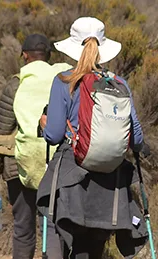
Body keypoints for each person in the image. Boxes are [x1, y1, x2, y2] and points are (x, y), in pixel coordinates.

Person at [37, 17, 148, 259]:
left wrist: (44, 125)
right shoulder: (119, 84)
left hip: (71, 177)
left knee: (58, 229)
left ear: (74, 47)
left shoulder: (64, 81)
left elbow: (54, 136)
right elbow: (137, 139)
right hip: (109, 185)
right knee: (91, 250)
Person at [0, 34, 73, 259]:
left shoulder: (17, 82)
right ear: (48, 57)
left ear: (25, 55)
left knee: (23, 229)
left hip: (20, 167)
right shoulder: (63, 79)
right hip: (57, 167)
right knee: (54, 228)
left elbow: (1, 135)